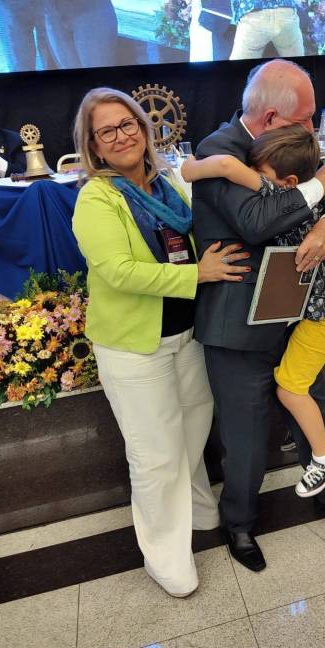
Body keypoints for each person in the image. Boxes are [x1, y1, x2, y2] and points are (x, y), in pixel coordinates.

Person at [191, 59, 325, 574]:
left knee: (316, 409)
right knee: (245, 435)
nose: (314, 126)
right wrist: (317, 189)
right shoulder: (218, 149)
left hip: (299, 309)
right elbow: (255, 221)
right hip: (239, 323)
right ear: (272, 118)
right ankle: (240, 524)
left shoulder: (299, 140)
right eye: (306, 117)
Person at [71, 87, 249, 598]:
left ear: (144, 128)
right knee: (155, 456)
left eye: (128, 124)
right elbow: (119, 271)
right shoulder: (96, 198)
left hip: (187, 335)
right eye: (107, 131)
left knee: (192, 432)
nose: (121, 136)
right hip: (134, 346)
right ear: (93, 146)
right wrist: (198, 274)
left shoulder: (166, 184)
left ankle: (196, 508)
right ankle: (165, 555)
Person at [184, 124, 325, 498]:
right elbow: (236, 172)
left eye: (262, 173)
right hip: (319, 308)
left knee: (291, 388)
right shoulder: (304, 185)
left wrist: (191, 169)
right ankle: (317, 454)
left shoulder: (282, 192)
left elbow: (231, 171)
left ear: (289, 181)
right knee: (292, 388)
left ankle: (324, 456)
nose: (256, 178)